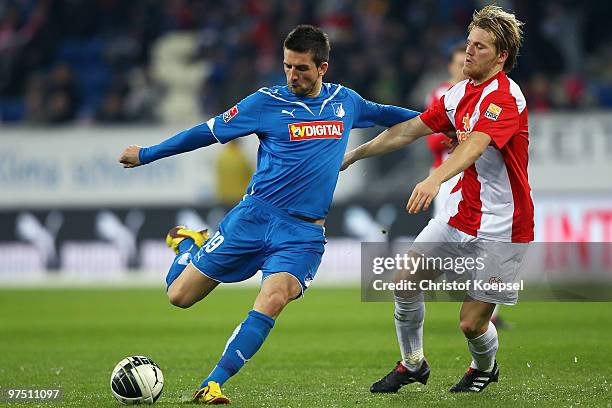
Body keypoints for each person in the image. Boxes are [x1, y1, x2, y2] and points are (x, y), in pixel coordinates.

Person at [118, 25, 420, 405]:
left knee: (274, 298)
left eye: (302, 69)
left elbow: (387, 114)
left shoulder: (346, 103)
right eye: (287, 66)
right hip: (254, 217)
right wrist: (147, 154)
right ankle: (187, 246)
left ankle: (213, 384)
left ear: (323, 67)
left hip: (302, 235)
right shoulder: (265, 103)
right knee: (179, 296)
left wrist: (444, 123)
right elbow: (206, 132)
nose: (292, 76)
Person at [342, 5, 532, 394]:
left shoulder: (505, 97)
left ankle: (485, 367)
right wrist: (354, 155)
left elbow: (475, 146)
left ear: (501, 57)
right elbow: (408, 130)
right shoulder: (458, 94)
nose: (468, 52)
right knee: (404, 281)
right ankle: (413, 364)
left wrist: (434, 178)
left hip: (504, 226)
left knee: (471, 324)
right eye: (468, 44)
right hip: (461, 215)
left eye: (480, 47)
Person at [427, 44, 509, 328]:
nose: (464, 65)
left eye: (468, 59)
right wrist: (463, 134)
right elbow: (432, 138)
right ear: (451, 66)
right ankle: (465, 294)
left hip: (473, 179)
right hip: (445, 179)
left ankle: (489, 312)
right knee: (453, 245)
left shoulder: (485, 95)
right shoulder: (443, 95)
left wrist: (463, 133)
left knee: (478, 246)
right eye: (459, 62)